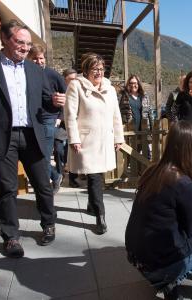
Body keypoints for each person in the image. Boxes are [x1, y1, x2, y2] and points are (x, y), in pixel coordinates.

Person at [0, 19, 63, 258]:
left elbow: (43, 100)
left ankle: (48, 223)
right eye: (21, 42)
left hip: (32, 136)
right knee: (8, 189)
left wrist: (54, 102)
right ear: (5, 39)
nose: (26, 48)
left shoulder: (35, 69)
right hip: (2, 138)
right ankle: (11, 238)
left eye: (29, 44)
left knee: (43, 184)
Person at [125, 121, 192, 300]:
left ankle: (164, 278)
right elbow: (191, 230)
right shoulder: (183, 182)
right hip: (158, 265)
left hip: (136, 257)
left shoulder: (153, 170)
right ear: (191, 150)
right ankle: (168, 279)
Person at [65, 54, 124, 235]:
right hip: (86, 140)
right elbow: (70, 115)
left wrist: (118, 137)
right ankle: (100, 215)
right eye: (94, 69)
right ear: (86, 70)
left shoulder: (110, 88)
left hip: (104, 140)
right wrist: (74, 138)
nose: (98, 72)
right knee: (95, 177)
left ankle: (92, 205)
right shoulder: (76, 86)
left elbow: (116, 115)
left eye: (101, 68)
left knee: (96, 176)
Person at [27, 44, 67, 194]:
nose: (39, 61)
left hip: (48, 119)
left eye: (41, 58)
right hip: (30, 120)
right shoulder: (26, 73)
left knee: (43, 154)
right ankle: (55, 176)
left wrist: (60, 116)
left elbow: (67, 96)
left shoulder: (53, 75)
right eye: (35, 59)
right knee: (35, 154)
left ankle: (46, 186)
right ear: (29, 59)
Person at [61, 68, 79, 187]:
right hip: (61, 127)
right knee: (60, 151)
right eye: (71, 79)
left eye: (75, 79)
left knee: (74, 153)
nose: (74, 81)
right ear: (65, 80)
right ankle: (60, 173)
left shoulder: (78, 90)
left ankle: (73, 178)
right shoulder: (60, 90)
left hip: (76, 126)